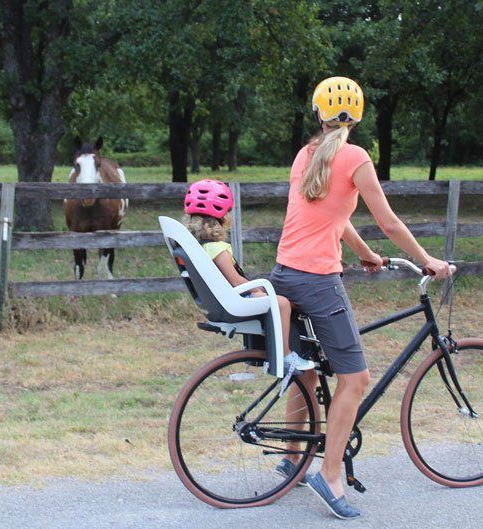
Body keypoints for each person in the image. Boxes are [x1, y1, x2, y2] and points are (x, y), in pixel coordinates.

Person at [269, 76, 452, 520]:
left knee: (309, 371)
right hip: (316, 282)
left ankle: (293, 459)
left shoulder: (305, 155)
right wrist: (428, 259)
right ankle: (329, 476)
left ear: (318, 113)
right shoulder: (355, 157)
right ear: (359, 115)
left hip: (283, 276)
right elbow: (388, 221)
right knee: (356, 379)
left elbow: (331, 214)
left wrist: (366, 254)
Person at [183, 179, 316, 375]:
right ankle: (287, 355)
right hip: (234, 300)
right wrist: (257, 290)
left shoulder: (198, 246)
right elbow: (235, 279)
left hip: (220, 301)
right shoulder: (217, 249)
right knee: (282, 304)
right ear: (224, 218)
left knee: (277, 299)